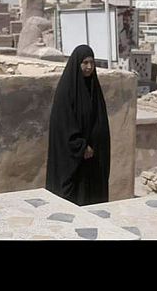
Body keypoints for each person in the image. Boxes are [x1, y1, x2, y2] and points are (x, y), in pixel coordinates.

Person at [45, 44, 111, 206]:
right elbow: (63, 124)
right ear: (77, 64)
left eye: (92, 63)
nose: (89, 67)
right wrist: (81, 146)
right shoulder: (66, 91)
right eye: (85, 63)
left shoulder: (93, 88)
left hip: (92, 158)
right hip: (75, 158)